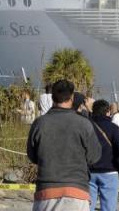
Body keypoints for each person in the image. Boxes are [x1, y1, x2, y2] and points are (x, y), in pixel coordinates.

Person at [27, 79, 102, 211]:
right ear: (72, 97)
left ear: (52, 96)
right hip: (77, 192)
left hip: (46, 191)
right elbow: (94, 157)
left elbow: (32, 156)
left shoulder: (40, 123)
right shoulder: (83, 124)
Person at [89, 99, 119, 211]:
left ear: (93, 111)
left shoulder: (86, 126)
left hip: (89, 172)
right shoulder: (113, 128)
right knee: (108, 207)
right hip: (109, 172)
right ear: (108, 112)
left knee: (87, 206)